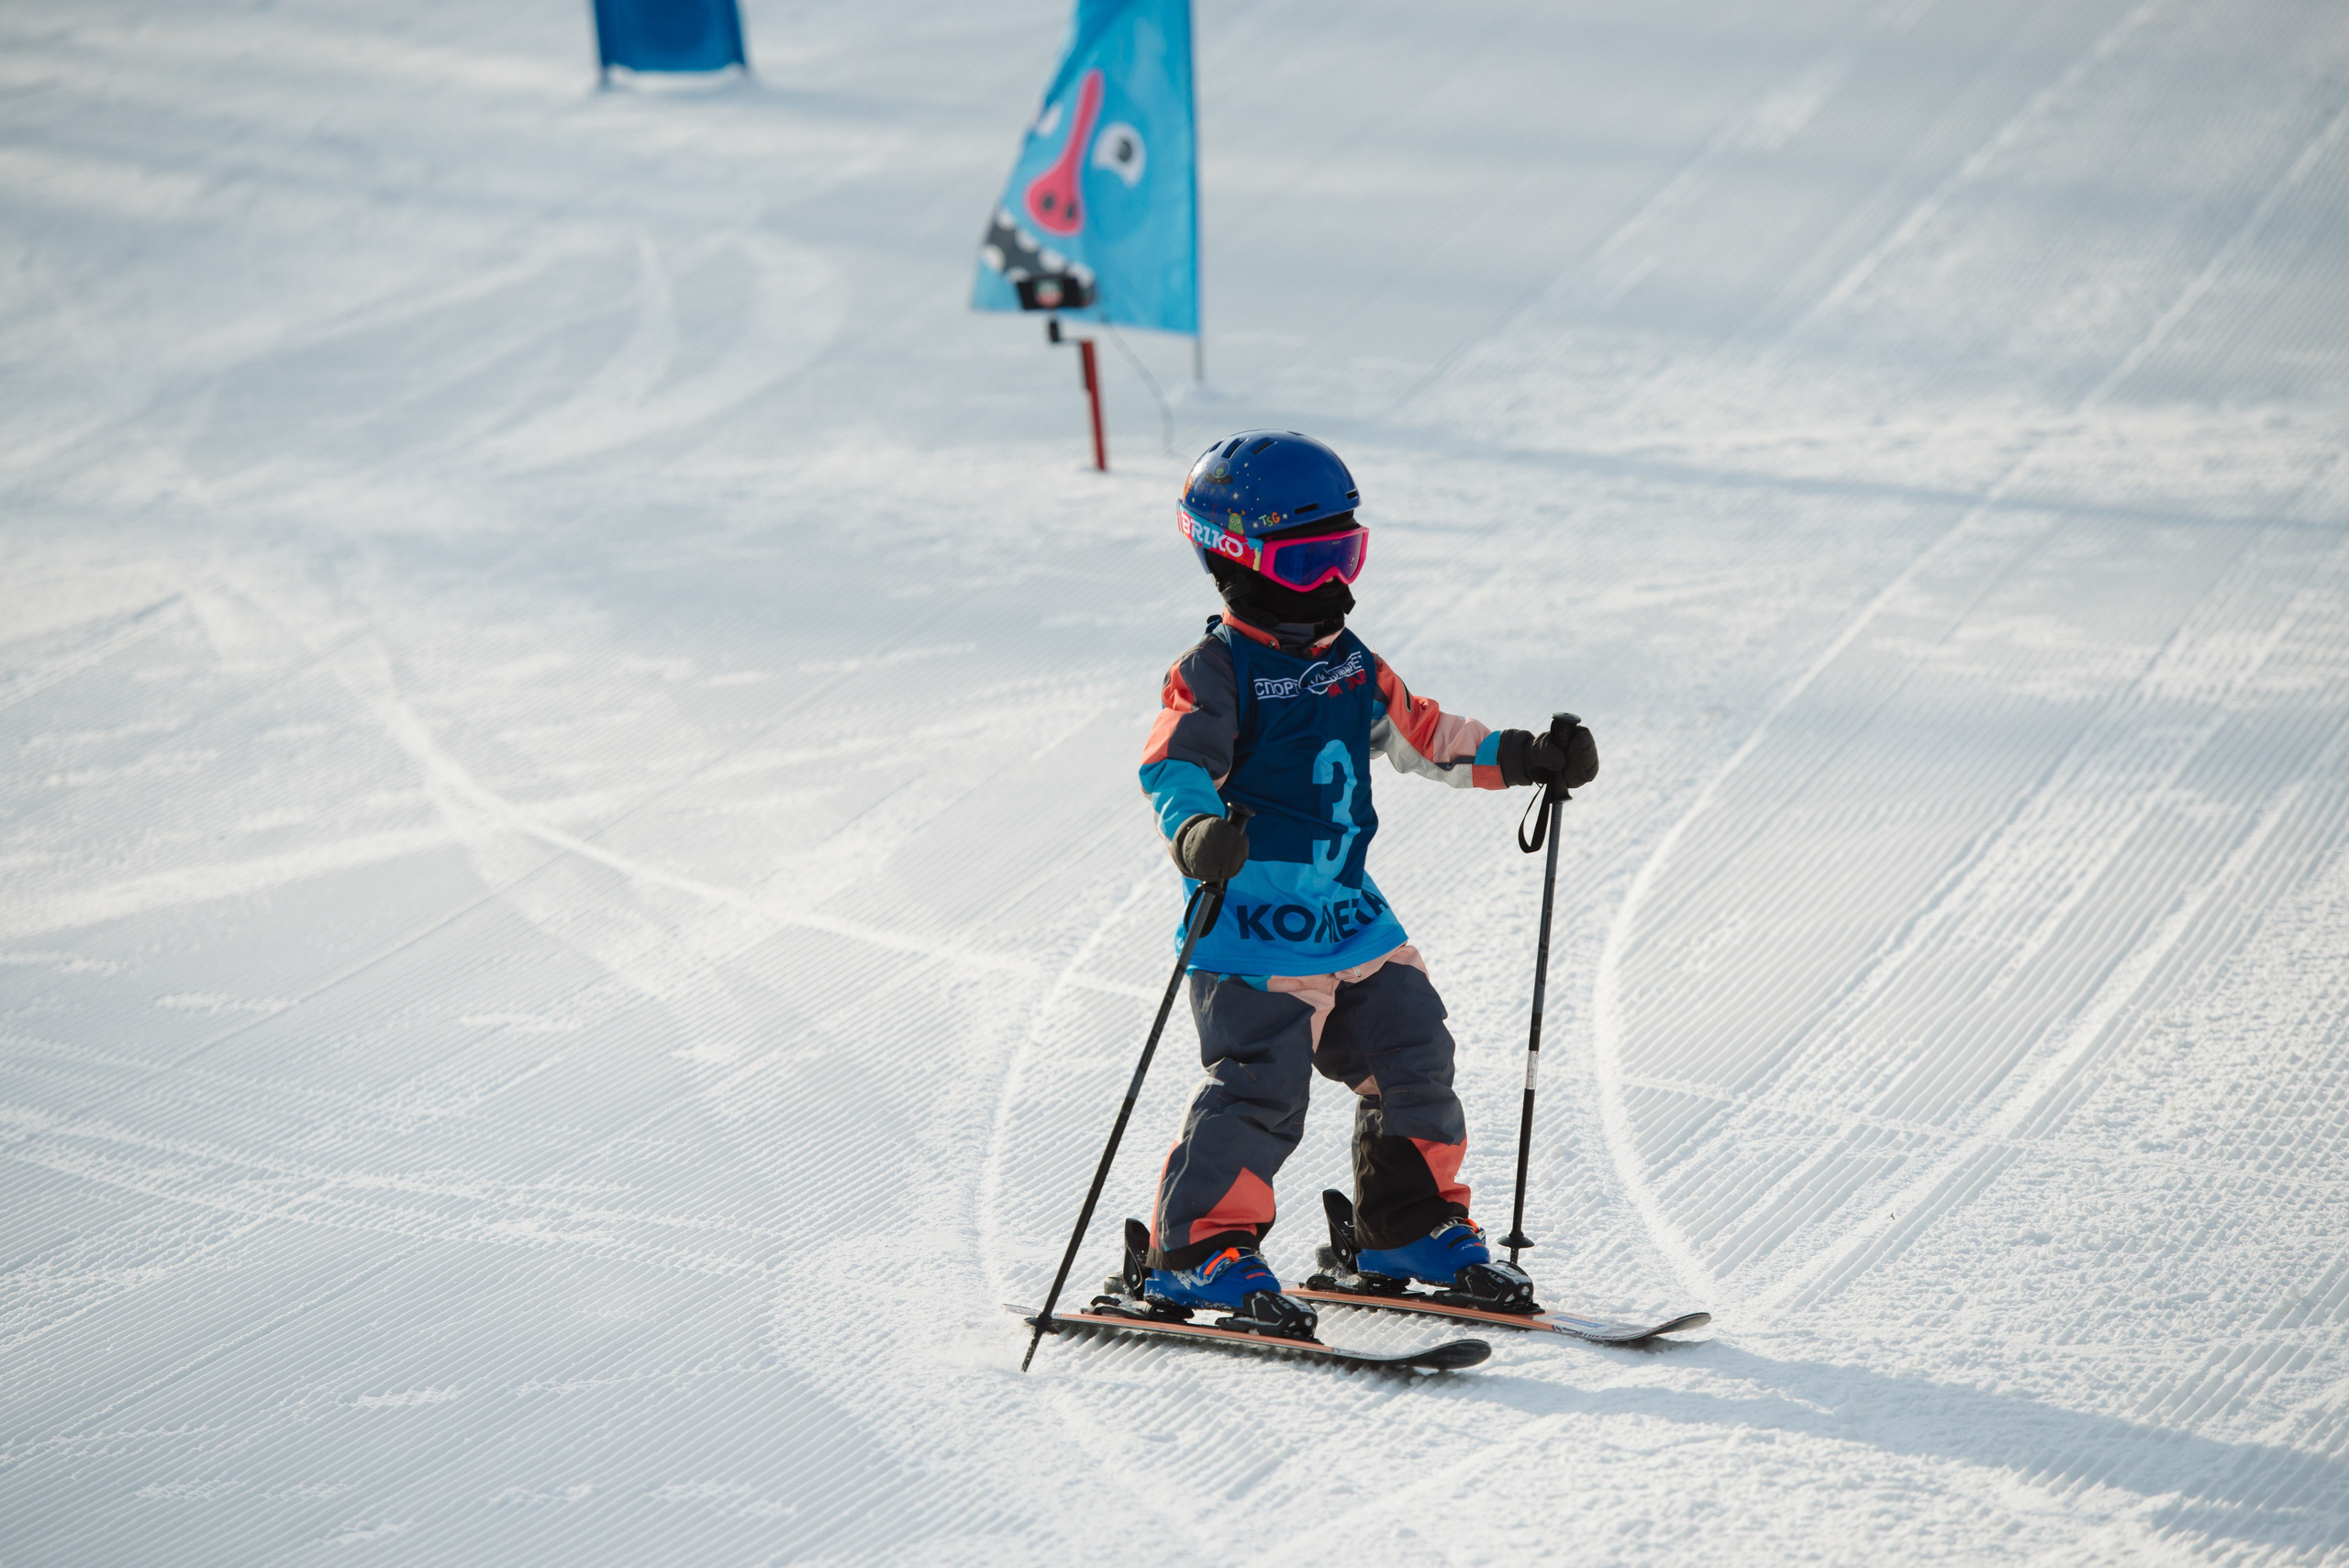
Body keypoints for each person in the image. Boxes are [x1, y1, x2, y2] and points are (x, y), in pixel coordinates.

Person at [1136, 429, 1598, 1328]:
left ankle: (1408, 1225)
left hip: (1349, 915)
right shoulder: (1216, 669)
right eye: (1307, 561)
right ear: (1237, 559)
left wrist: (1528, 755)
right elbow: (1173, 766)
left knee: (1413, 1050)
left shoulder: (1353, 663)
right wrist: (1195, 832)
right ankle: (1194, 1249)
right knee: (1262, 1084)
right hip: (1252, 922)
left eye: (1343, 555)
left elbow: (1429, 737)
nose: (1331, 585)